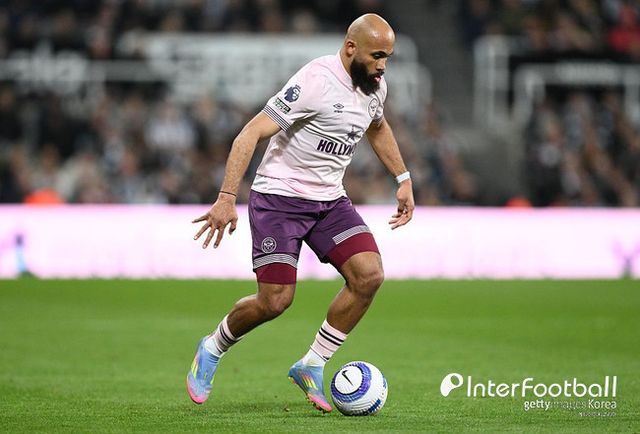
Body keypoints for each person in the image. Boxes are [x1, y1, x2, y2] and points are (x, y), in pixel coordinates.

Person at [187, 13, 415, 413]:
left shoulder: (374, 85)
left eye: (388, 57)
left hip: (329, 201)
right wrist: (226, 197)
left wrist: (403, 177)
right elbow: (250, 132)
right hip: (280, 199)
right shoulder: (315, 81)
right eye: (377, 56)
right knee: (275, 301)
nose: (383, 65)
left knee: (369, 275)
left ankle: (312, 363)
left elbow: (377, 127)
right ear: (351, 48)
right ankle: (213, 346)